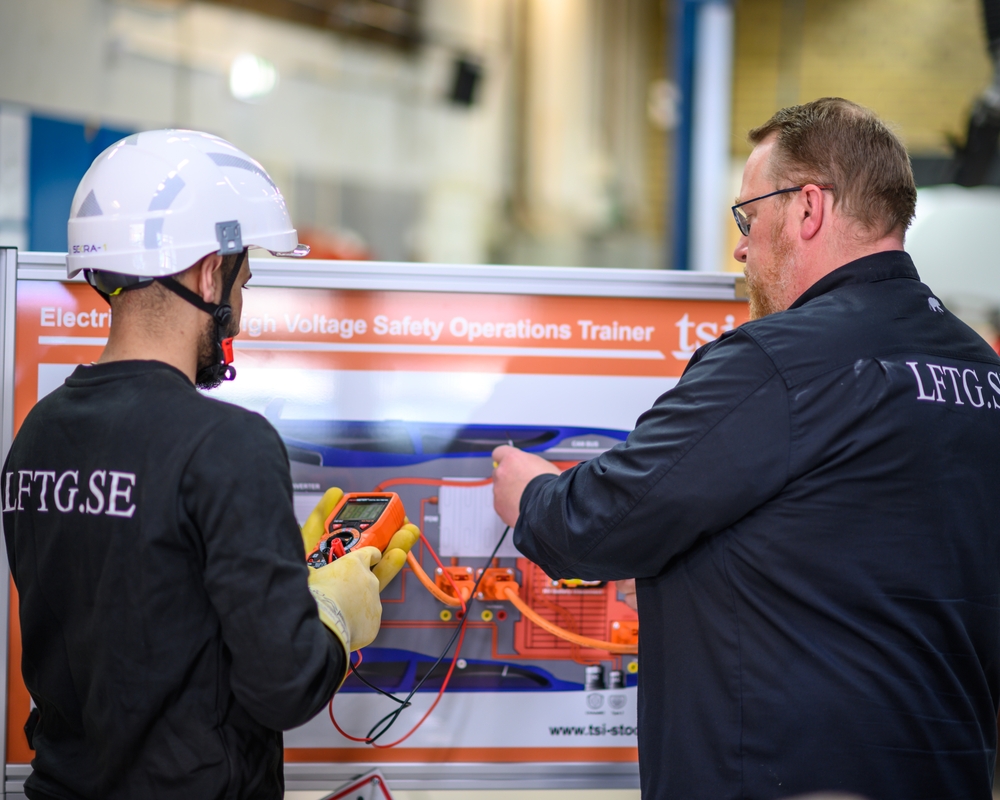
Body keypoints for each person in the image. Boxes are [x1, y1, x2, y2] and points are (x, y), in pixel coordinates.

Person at [492, 98, 1000, 799]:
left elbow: (598, 523)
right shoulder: (980, 370)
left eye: (748, 217)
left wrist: (532, 495)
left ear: (808, 208)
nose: (739, 247)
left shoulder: (777, 362)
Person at [1, 129, 418, 800]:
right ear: (206, 273)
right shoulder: (228, 443)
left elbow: (145, 617)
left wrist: (280, 582)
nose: (240, 316)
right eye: (241, 282)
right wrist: (334, 616)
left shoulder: (37, 436)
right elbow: (285, 686)